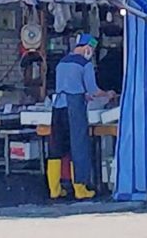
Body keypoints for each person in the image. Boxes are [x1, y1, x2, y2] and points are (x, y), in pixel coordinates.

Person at [47, 33, 113, 200]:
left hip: (58, 107)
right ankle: (80, 189)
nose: (91, 53)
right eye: (91, 49)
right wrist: (108, 94)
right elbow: (94, 90)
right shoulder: (85, 64)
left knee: (56, 148)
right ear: (87, 48)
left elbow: (67, 85)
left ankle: (54, 190)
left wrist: (83, 94)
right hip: (74, 109)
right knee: (78, 147)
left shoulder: (62, 62)